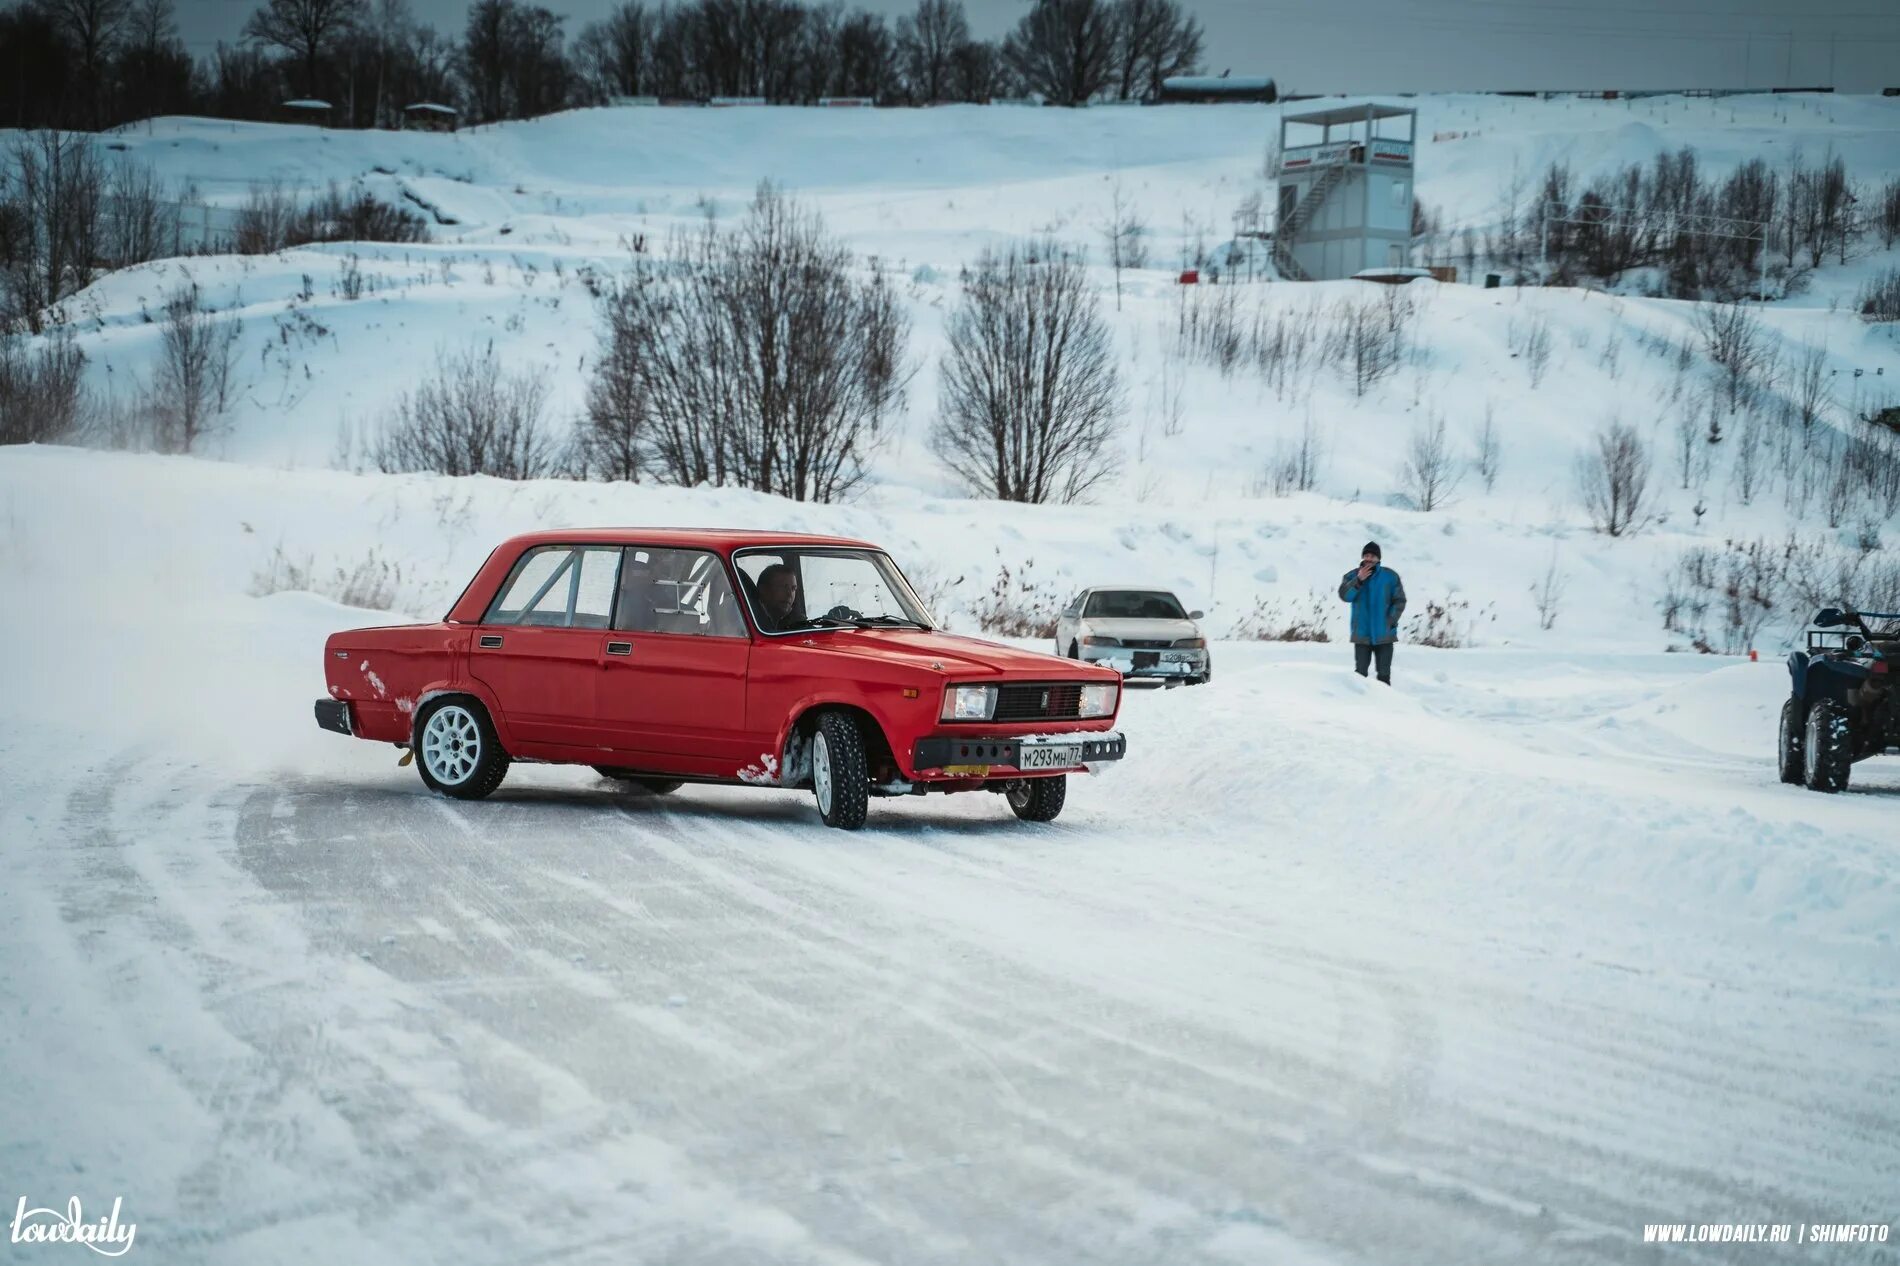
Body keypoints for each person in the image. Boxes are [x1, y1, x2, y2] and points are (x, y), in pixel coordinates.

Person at [1338, 541, 1405, 684]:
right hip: (1362, 634)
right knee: (1360, 675)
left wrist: (1390, 620)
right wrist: (1359, 580)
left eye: (1373, 556)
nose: (1369, 559)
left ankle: (1386, 705)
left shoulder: (1390, 576)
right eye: (1366, 555)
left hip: (1384, 634)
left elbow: (1399, 600)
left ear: (1378, 559)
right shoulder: (1351, 576)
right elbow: (1345, 596)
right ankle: (1360, 705)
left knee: (1384, 675)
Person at [755, 563, 801, 632]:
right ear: (763, 589)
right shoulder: (751, 621)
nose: (789, 594)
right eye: (783, 587)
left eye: (793, 588)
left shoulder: (796, 621)